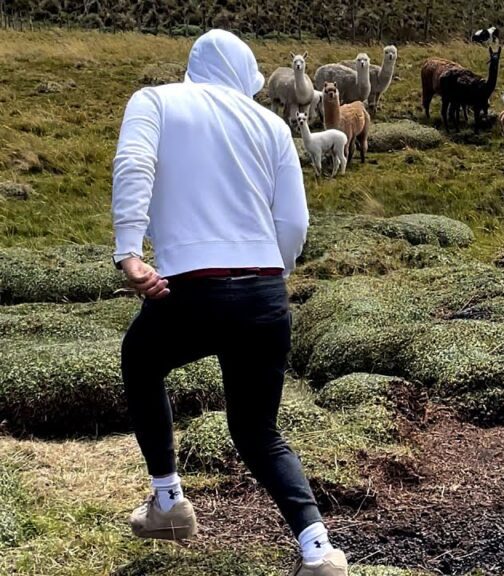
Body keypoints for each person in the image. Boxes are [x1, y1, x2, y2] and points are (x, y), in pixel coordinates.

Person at [111, 29, 347, 576]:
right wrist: (272, 275)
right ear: (246, 77)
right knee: (257, 430)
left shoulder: (156, 101)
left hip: (188, 288)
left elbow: (133, 167)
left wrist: (129, 250)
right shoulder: (269, 124)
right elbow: (294, 221)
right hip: (264, 292)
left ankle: (168, 504)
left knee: (141, 362)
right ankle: (317, 548)